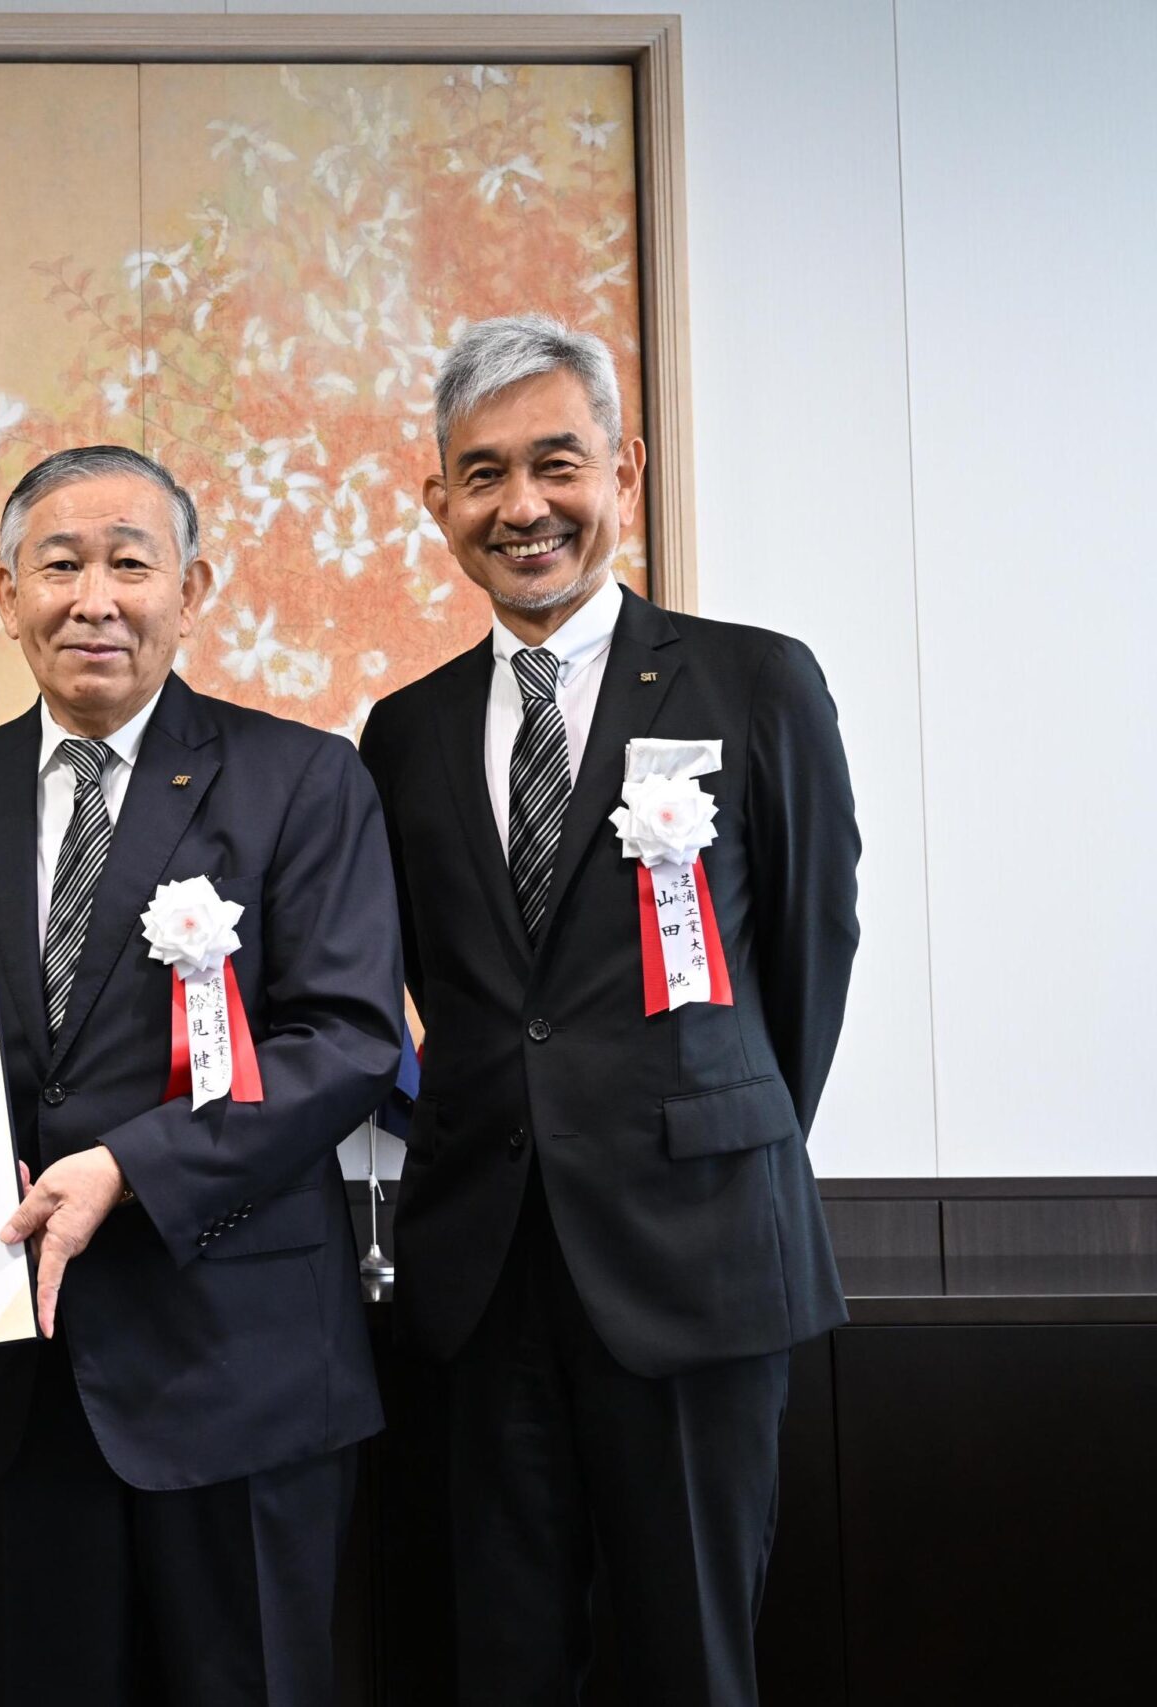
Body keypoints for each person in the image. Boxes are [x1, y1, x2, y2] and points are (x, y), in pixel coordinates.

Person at [0, 446, 404, 1706]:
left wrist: (128, 1169)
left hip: (236, 1363)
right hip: (17, 1379)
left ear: (189, 589)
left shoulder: (302, 779)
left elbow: (347, 1041)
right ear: (4, 593)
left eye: (129, 563)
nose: (95, 597)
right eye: (60, 564)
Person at [357, 314, 860, 1705]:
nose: (523, 506)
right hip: (480, 1271)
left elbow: (812, 951)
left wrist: (711, 1125)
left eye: (556, 463)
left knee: (690, 1655)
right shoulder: (403, 730)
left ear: (623, 472)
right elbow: (418, 986)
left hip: (696, 1252)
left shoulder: (755, 682)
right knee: (503, 1654)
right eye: (483, 473)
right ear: (437, 499)